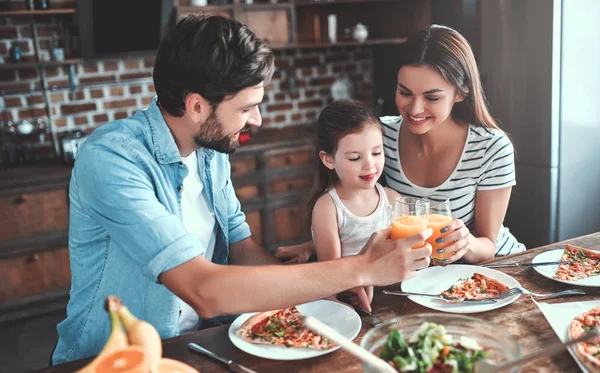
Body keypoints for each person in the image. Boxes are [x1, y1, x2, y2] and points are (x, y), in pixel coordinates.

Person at [52, 15, 433, 365]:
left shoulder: (210, 149)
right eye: (247, 107)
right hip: (114, 361)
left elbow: (241, 247)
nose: (257, 119)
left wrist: (323, 291)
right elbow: (203, 288)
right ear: (197, 106)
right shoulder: (112, 160)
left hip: (202, 344)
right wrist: (359, 269)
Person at [275, 24, 525, 265]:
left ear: (460, 93)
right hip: (422, 276)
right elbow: (363, 212)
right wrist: (315, 245)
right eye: (405, 93)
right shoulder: (380, 136)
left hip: (494, 267)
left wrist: (466, 243)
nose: (415, 109)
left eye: (432, 97)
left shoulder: (492, 148)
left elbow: (488, 245)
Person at [308, 100, 401, 311]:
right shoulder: (328, 208)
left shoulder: (393, 199)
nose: (369, 164)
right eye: (355, 157)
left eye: (377, 153)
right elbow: (331, 274)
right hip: (351, 303)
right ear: (328, 159)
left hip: (394, 297)